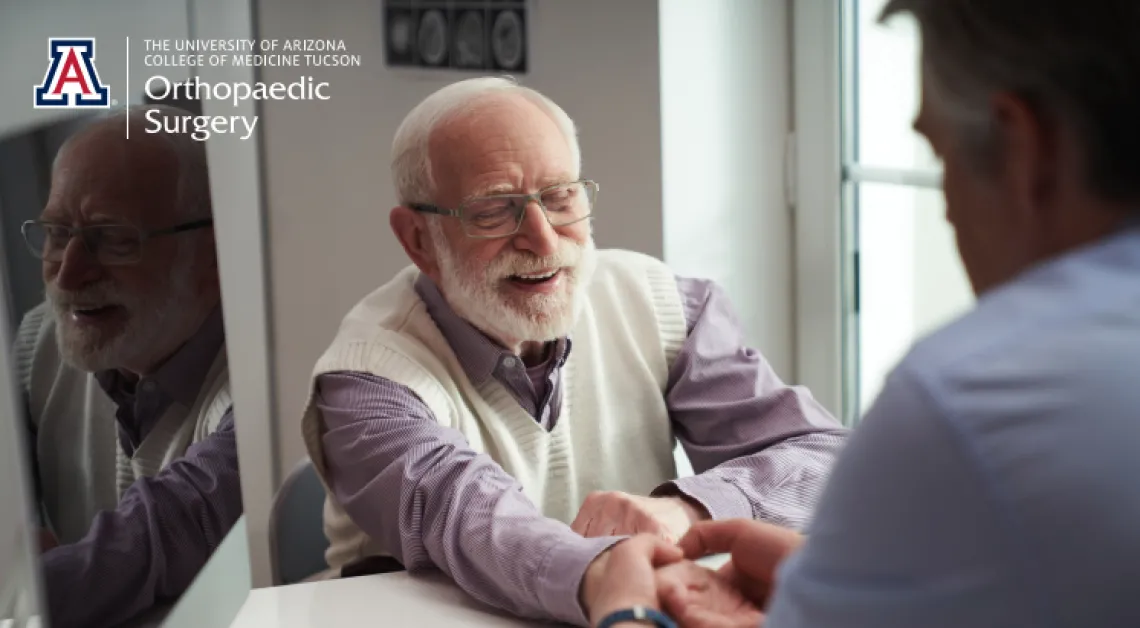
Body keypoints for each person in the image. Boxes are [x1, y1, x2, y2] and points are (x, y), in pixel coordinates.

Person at [596, 0, 1140, 626]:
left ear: (1026, 146)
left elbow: (817, 448)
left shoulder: (971, 399)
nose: (949, 213)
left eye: (942, 160)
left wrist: (626, 614)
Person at [299, 76, 847, 626]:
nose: (542, 238)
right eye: (493, 210)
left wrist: (689, 508)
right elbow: (469, 518)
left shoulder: (665, 306)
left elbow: (825, 458)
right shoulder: (367, 378)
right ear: (418, 239)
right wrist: (611, 573)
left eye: (561, 197)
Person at [14, 106, 243, 628]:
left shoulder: (260, 381)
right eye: (55, 233)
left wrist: (25, 584)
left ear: (213, 252)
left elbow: (162, 533)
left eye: (112, 237)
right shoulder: (42, 337)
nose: (68, 274)